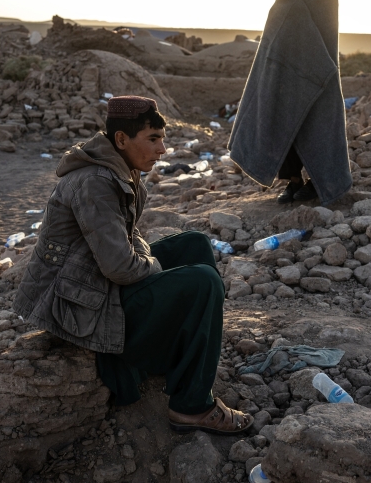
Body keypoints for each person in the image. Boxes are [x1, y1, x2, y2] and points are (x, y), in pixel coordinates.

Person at [13, 96, 251, 435]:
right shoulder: (94, 182)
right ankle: (191, 406)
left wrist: (151, 264)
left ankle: (181, 357)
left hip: (98, 285)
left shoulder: (117, 169)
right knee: (203, 282)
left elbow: (128, 237)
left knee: (193, 244)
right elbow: (121, 268)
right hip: (82, 309)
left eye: (162, 139)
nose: (163, 149)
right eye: (153, 139)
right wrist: (157, 270)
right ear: (122, 139)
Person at [228, 0, 352, 205]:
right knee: (281, 123)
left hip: (317, 69)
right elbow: (279, 26)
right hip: (284, 70)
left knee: (317, 127)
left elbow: (322, 28)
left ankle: (319, 184)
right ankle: (293, 182)